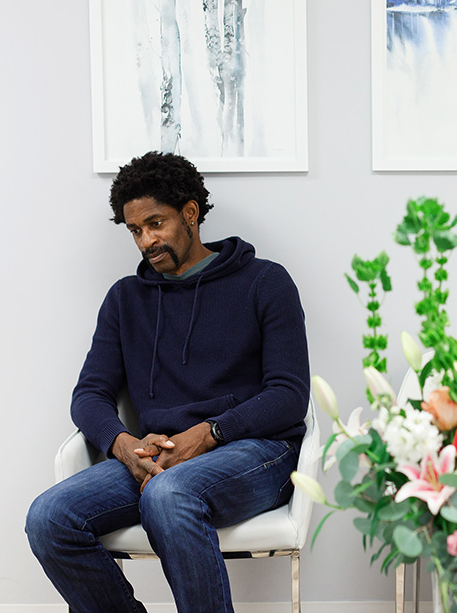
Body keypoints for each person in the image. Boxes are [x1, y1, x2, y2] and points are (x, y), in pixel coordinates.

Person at [25, 152, 310, 612]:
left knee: (168, 494)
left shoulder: (265, 282)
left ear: (191, 213)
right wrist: (124, 446)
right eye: (136, 230)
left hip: (258, 451)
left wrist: (208, 433)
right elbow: (90, 394)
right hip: (157, 457)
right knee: (49, 517)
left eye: (155, 223)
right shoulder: (125, 299)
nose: (145, 240)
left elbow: (289, 395)